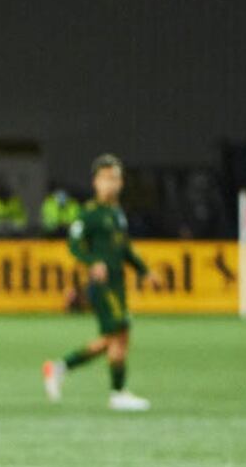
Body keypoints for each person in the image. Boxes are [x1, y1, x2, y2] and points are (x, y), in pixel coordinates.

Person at [43, 154, 161, 411]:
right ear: (96, 182)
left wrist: (145, 271)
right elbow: (74, 245)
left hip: (118, 282)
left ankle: (59, 368)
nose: (113, 184)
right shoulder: (90, 214)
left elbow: (125, 249)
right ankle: (117, 393)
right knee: (119, 334)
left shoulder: (116, 213)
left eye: (116, 179)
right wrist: (92, 261)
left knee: (113, 338)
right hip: (103, 285)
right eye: (107, 178)